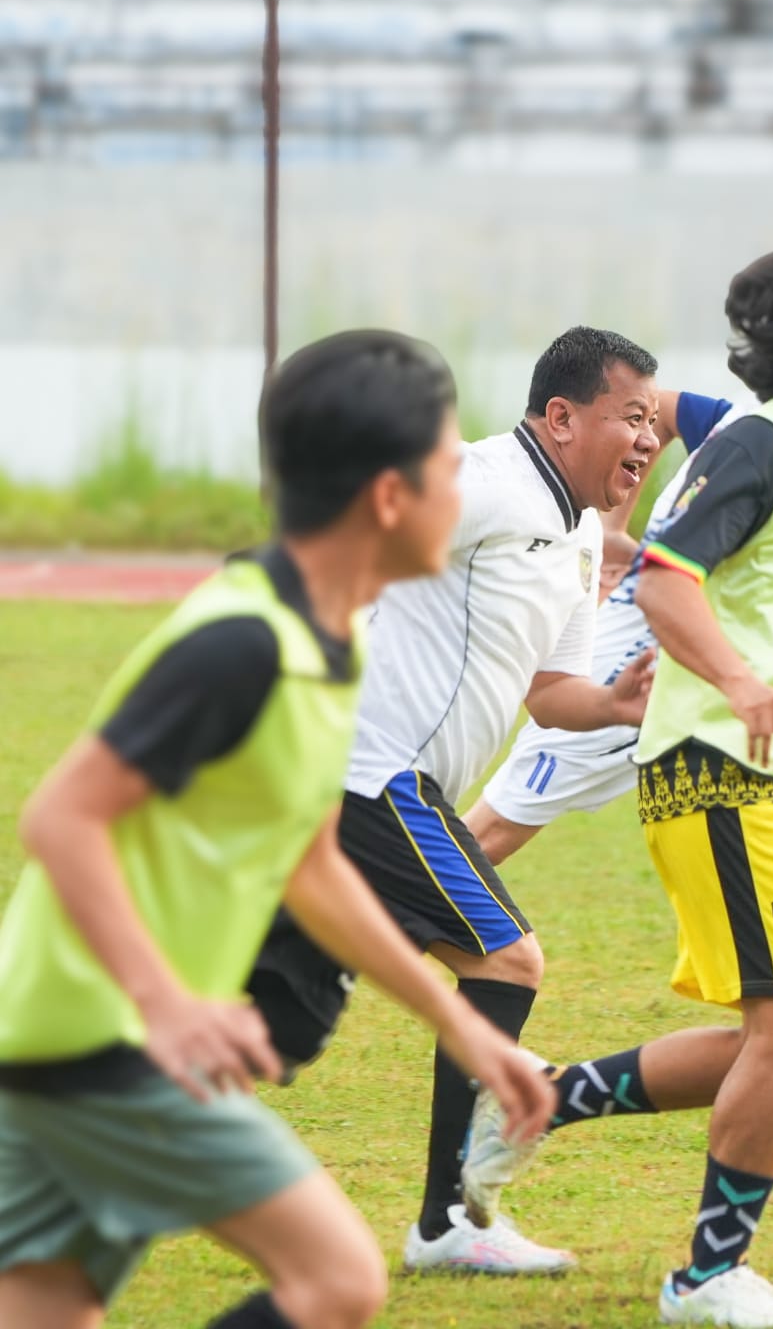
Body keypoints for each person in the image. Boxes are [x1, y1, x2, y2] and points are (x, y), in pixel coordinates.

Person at [0, 330, 554, 1329]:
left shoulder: (329, 642)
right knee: (337, 1280)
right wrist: (166, 1003)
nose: (468, 486)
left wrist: (463, 1028)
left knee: (47, 1311)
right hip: (105, 1041)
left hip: (72, 1034)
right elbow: (62, 817)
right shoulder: (245, 641)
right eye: (449, 468)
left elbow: (309, 863)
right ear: (388, 498)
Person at [462, 240, 773, 1329]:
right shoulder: (763, 441)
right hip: (718, 767)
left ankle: (544, 1097)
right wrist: (738, 683)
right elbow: (668, 585)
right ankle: (707, 1278)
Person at [250, 326, 661, 1275]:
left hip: (395, 786)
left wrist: (614, 703)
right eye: (631, 416)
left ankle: (77, 1101)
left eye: (652, 422)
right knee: (506, 958)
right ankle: (446, 1221)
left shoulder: (579, 531)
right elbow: (349, 542)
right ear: (561, 418)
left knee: (268, 1025)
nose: (648, 439)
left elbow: (552, 696)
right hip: (368, 771)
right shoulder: (483, 480)